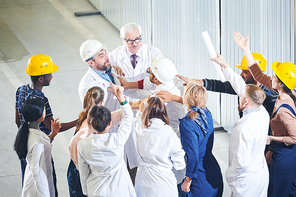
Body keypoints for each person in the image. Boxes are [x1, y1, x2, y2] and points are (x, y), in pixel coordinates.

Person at [233, 31, 296, 197]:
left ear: (280, 84)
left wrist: (272, 140)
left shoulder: (283, 107)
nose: (271, 77)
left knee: (279, 191)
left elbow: (295, 137)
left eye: (275, 76)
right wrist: (246, 49)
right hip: (281, 152)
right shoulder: (284, 90)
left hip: (286, 155)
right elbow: (258, 74)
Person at [15, 54, 77, 195]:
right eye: (50, 74)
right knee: (46, 183)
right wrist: (77, 121)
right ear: (41, 78)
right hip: (40, 147)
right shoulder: (41, 100)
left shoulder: (20, 90)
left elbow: (18, 121)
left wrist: (27, 137)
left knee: (28, 183)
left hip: (24, 144)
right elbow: (53, 126)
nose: (52, 76)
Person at [156, 54, 278, 118]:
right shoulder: (245, 86)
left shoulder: (270, 96)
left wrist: (271, 150)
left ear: (256, 74)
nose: (241, 74)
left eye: (244, 72)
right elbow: (217, 85)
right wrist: (193, 81)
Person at [67, 86, 136, 196]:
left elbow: (83, 171)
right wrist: (121, 98)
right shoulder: (117, 140)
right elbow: (128, 117)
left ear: (90, 122)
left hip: (96, 190)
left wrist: (86, 190)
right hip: (119, 190)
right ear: (110, 124)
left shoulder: (83, 145)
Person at [134, 96, 186, 197]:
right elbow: (179, 164)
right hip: (163, 182)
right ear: (164, 112)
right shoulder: (169, 133)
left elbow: (137, 119)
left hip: (143, 181)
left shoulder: (140, 129)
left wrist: (143, 105)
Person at [180, 81, 223, 196]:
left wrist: (187, 180)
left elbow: (193, 155)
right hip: (213, 172)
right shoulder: (207, 113)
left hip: (199, 178)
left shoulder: (187, 122)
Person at [225, 84, 270, 196]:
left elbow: (241, 163)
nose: (239, 96)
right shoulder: (263, 113)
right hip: (260, 174)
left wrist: (229, 174)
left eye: (241, 96)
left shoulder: (244, 128)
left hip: (247, 182)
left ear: (246, 102)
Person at [14, 97, 61, 197]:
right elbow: (37, 171)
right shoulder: (37, 141)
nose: (45, 111)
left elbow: (42, 145)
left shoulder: (30, 131)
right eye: (43, 109)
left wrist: (53, 134)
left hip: (34, 180)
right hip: (38, 186)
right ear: (38, 114)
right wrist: (44, 194)